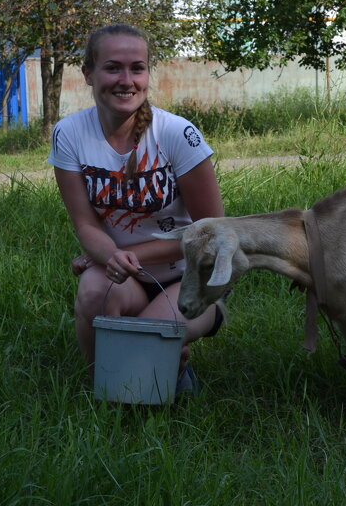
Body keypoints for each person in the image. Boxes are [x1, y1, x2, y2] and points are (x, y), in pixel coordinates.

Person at [48, 23, 226, 396]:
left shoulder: (177, 134)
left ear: (147, 74)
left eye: (137, 68)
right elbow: (85, 224)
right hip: (123, 275)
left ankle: (166, 368)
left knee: (141, 347)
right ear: (88, 74)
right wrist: (108, 258)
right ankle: (108, 391)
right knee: (93, 291)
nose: (125, 80)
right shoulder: (69, 134)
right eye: (113, 67)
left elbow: (213, 233)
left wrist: (122, 255)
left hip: (189, 278)